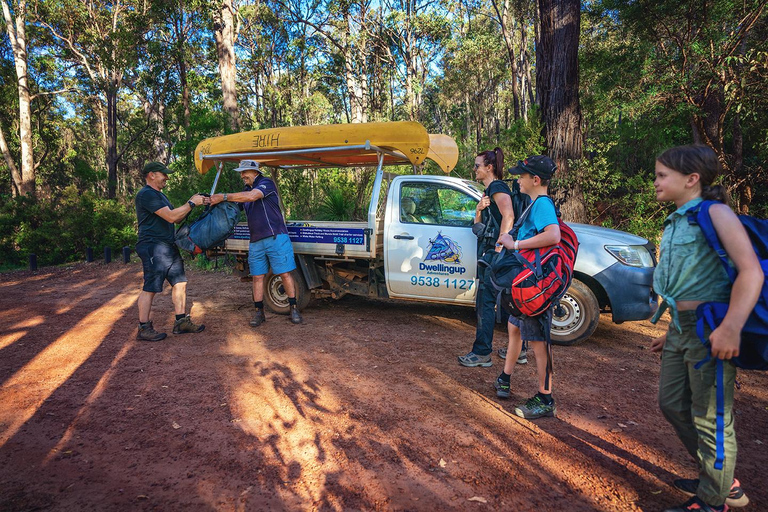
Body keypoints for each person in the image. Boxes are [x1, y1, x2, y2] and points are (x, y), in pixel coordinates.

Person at [648, 145, 760, 512]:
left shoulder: (715, 213)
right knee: (671, 403)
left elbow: (751, 271)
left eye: (663, 175)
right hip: (681, 328)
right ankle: (720, 479)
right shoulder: (678, 218)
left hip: (711, 328)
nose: (656, 182)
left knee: (711, 417)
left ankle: (714, 499)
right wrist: (671, 330)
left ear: (691, 179)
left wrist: (731, 328)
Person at [493, 155, 561, 420]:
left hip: (535, 286)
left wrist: (516, 245)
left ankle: (546, 398)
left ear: (535, 180)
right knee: (514, 328)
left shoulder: (542, 203)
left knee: (538, 341)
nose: (518, 179)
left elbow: (553, 235)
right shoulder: (533, 204)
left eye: (522, 175)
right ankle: (505, 377)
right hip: (527, 283)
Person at [209, 160, 303, 326]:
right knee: (257, 277)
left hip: (276, 237)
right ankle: (259, 312)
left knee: (285, 273)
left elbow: (253, 197)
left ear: (255, 171)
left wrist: (224, 196)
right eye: (241, 173)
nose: (242, 176)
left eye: (244, 172)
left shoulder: (266, 183)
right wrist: (211, 202)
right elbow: (233, 205)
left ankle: (293, 308)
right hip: (256, 241)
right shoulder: (245, 191)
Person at [135, 161, 207, 341]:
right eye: (163, 174)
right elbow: (171, 216)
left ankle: (181, 321)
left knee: (180, 282)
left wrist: (193, 201)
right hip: (153, 246)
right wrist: (191, 203)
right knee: (151, 287)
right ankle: (144, 328)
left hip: (168, 245)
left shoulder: (160, 195)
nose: (166, 177)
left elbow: (175, 219)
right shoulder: (146, 195)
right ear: (151, 175)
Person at [458, 148, 516, 367]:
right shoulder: (489, 192)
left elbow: (508, 216)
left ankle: (482, 352)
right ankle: (518, 350)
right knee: (509, 301)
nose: (474, 169)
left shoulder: (498, 187)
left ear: (489, 168)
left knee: (486, 302)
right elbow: (482, 225)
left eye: (477, 166)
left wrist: (499, 248)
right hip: (492, 251)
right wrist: (478, 210)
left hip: (494, 253)